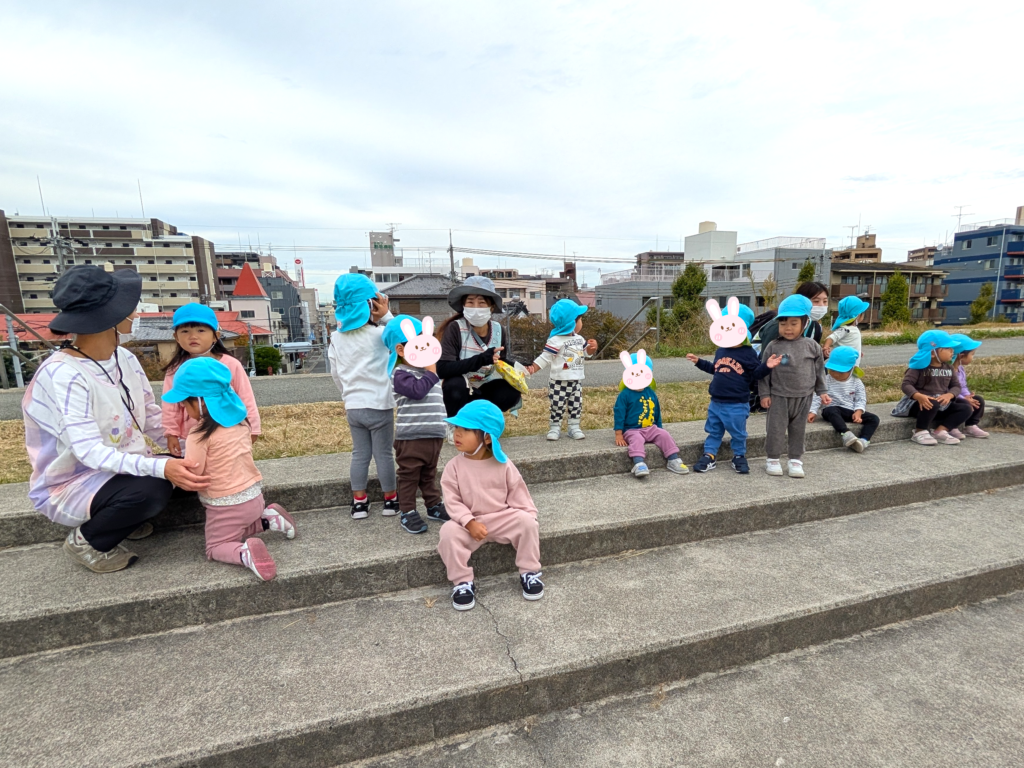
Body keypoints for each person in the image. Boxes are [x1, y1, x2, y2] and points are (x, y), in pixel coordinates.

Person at [21, 265, 209, 573]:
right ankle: (88, 541)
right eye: (127, 308)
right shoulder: (64, 375)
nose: (133, 315)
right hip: (72, 483)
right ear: (106, 316)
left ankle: (123, 516)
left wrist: (190, 447)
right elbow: (89, 452)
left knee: (197, 463)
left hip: (119, 470)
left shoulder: (125, 359)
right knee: (153, 489)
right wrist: (162, 466)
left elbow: (149, 417)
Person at [161, 357, 295, 581]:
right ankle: (269, 519)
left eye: (185, 402)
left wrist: (170, 469)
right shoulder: (241, 423)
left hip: (226, 506)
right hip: (254, 498)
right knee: (238, 528)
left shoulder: (198, 435)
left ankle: (245, 553)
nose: (183, 409)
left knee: (216, 546)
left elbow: (193, 471)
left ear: (202, 401)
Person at [437, 401, 543, 611]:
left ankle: (529, 572)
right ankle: (462, 582)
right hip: (469, 524)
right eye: (456, 427)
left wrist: (528, 516)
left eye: (465, 429)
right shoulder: (453, 467)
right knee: (448, 532)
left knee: (526, 523)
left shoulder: (502, 463)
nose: (457, 433)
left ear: (486, 437)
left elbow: (517, 491)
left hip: (501, 518)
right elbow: (452, 500)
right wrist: (469, 522)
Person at [327, 273, 400, 519]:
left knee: (360, 454)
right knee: (384, 455)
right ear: (372, 304)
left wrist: (347, 396)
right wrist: (387, 315)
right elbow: (410, 342)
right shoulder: (382, 334)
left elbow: (335, 373)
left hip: (354, 406)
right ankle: (390, 500)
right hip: (380, 405)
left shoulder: (335, 338)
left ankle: (359, 501)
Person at [162, 303, 261, 458]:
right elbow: (170, 406)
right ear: (176, 337)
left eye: (201, 330)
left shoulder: (230, 364)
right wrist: (171, 433)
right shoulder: (176, 369)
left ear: (216, 335)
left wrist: (252, 428)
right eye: (185, 331)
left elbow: (246, 398)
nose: (192, 336)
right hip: (191, 436)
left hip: (229, 433)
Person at [382, 314, 449, 535]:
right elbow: (417, 392)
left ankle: (433, 505)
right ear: (401, 350)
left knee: (430, 474)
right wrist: (431, 373)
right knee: (409, 476)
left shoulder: (429, 373)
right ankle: (407, 511)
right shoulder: (400, 374)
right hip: (411, 437)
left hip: (433, 434)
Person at [687, 301, 766, 475]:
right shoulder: (721, 351)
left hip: (737, 403)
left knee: (738, 433)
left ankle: (739, 456)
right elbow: (714, 369)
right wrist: (699, 362)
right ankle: (709, 456)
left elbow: (756, 374)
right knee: (714, 431)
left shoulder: (748, 353)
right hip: (716, 402)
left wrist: (768, 365)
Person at [758, 294, 830, 478]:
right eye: (783, 324)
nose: (787, 328)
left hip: (804, 397)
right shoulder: (773, 347)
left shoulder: (812, 346)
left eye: (793, 323)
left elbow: (819, 370)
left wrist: (822, 391)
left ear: (805, 323)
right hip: (778, 397)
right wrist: (764, 394)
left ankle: (795, 460)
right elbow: (764, 372)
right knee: (775, 429)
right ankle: (772, 459)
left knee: (798, 430)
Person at [436, 275, 523, 419]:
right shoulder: (455, 328)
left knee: (510, 390)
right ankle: (453, 423)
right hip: (458, 388)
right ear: (463, 306)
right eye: (470, 302)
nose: (475, 308)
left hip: (482, 387)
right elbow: (442, 368)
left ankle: (479, 420)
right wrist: (481, 360)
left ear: (491, 307)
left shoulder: (498, 330)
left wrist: (520, 367)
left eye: (481, 303)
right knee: (455, 384)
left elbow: (499, 360)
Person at [526, 298, 597, 440]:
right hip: (558, 381)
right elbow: (545, 358)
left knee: (576, 405)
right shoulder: (555, 341)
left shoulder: (579, 339)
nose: (581, 323)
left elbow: (585, 354)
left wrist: (592, 349)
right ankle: (554, 427)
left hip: (576, 381)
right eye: (580, 319)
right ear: (572, 322)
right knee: (557, 405)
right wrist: (532, 368)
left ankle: (574, 427)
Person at [613, 351, 689, 478]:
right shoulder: (625, 395)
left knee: (664, 435)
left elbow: (657, 411)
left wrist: (659, 427)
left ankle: (673, 459)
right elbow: (619, 413)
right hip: (632, 430)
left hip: (651, 428)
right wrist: (618, 434)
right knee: (636, 440)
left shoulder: (651, 393)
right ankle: (639, 463)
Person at [901, 330, 973, 446]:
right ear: (933, 352)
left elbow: (956, 386)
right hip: (919, 404)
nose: (952, 351)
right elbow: (906, 385)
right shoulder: (918, 368)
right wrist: (918, 396)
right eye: (948, 348)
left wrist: (949, 395)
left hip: (940, 404)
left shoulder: (948, 368)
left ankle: (941, 430)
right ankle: (920, 431)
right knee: (932, 403)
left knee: (965, 407)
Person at [808, 346, 878, 452]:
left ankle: (863, 441)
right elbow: (818, 396)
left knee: (874, 419)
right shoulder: (826, 380)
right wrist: (812, 411)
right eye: (832, 370)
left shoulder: (856, 382)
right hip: (831, 410)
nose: (835, 374)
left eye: (840, 372)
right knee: (831, 410)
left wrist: (858, 412)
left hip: (849, 411)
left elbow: (861, 399)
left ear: (852, 368)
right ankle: (846, 434)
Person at [754, 281, 829, 353]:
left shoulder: (816, 327)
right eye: (816, 301)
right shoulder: (779, 324)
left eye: (825, 301)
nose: (822, 305)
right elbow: (766, 357)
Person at [950, 334, 988, 439]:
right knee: (960, 404)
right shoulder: (948, 371)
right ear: (961, 356)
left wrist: (968, 396)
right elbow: (947, 390)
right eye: (972, 354)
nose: (973, 357)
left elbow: (963, 386)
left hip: (960, 396)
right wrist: (963, 399)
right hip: (951, 397)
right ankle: (951, 426)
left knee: (978, 400)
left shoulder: (960, 369)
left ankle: (970, 425)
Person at [821, 296, 869, 363]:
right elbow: (831, 338)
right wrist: (826, 348)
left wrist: (858, 351)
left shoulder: (853, 329)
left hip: (851, 363)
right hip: (843, 364)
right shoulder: (845, 329)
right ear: (858, 315)